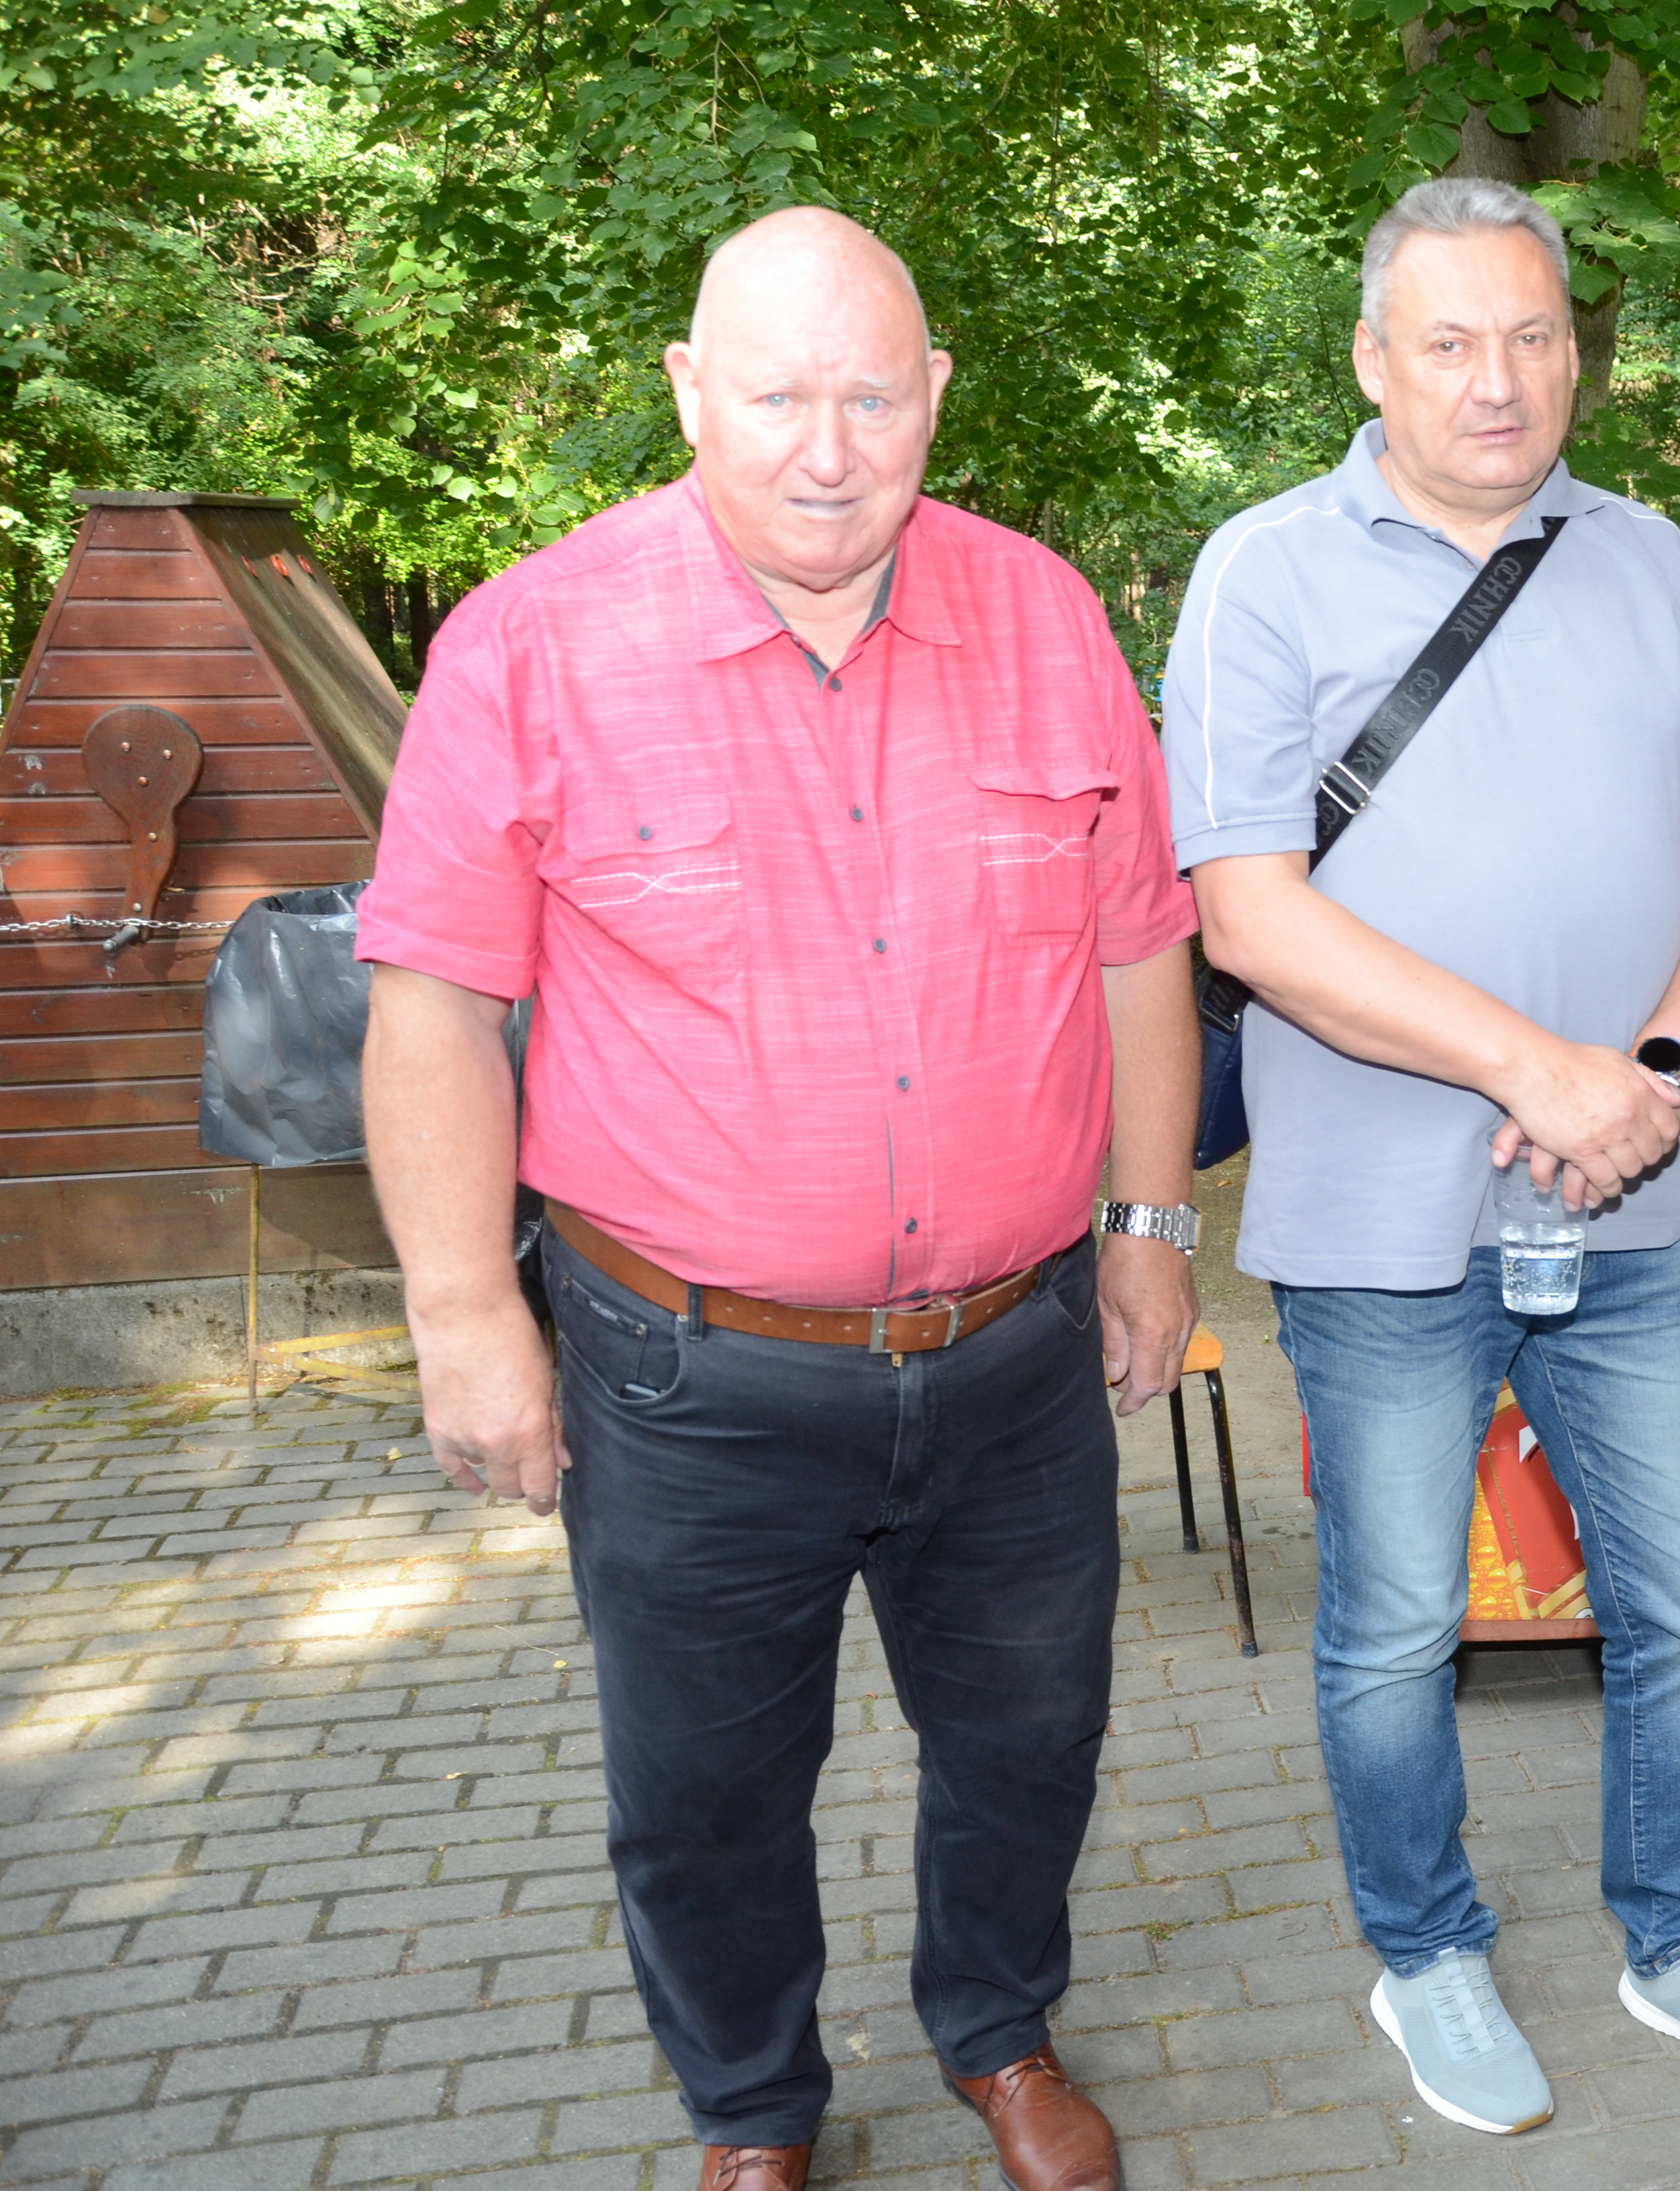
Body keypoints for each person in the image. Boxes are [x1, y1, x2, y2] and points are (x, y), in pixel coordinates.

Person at [358, 208, 1194, 2191]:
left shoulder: (1048, 617)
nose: (829, 451)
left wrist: (1151, 1228)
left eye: (873, 399)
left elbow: (1140, 946)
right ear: (687, 392)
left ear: (936, 398)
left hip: (1014, 1358)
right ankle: (752, 2109)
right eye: (778, 397)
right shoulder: (531, 644)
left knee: (1032, 1742)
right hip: (687, 1381)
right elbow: (433, 1008)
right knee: (706, 1795)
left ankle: (1000, 2031)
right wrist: (465, 1316)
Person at [1160, 177, 1680, 2135]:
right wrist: (1543, 1070)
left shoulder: (1653, 561)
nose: (1498, 379)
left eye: (1534, 335)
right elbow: (1250, 917)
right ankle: (1426, 1957)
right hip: (1381, 1225)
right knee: (1392, 1634)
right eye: (1449, 341)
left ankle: (1677, 1938)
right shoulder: (1265, 573)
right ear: (1372, 360)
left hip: (1639, 1205)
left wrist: (1657, 1078)